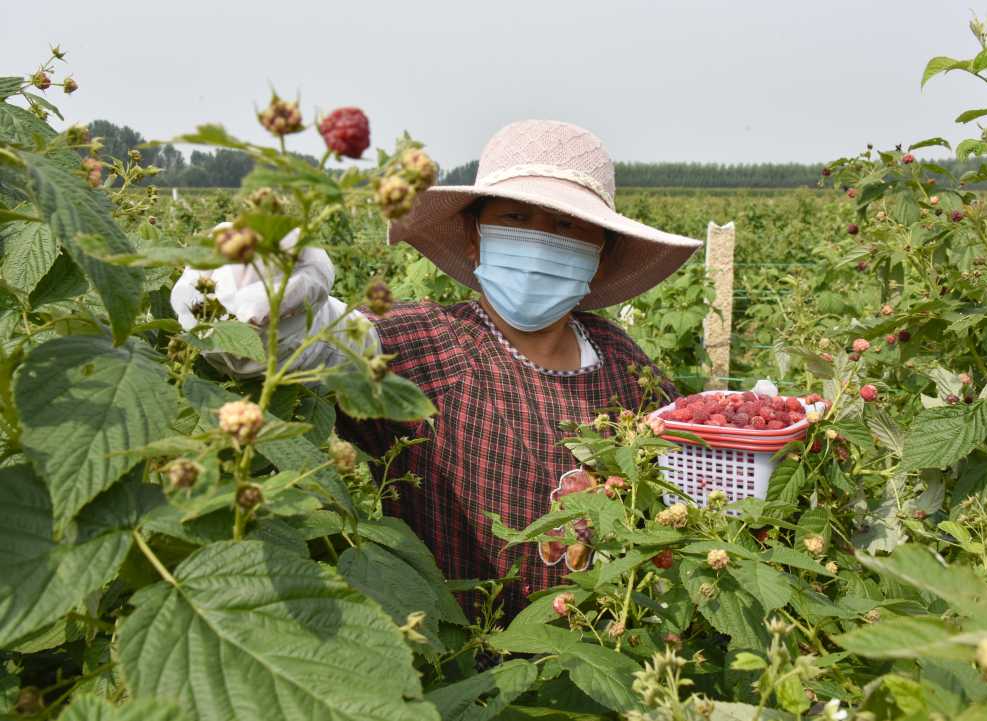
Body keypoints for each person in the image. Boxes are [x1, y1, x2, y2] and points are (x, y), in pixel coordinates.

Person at [171, 119, 702, 615]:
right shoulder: (424, 345)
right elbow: (307, 344)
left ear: (600, 255)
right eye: (517, 218)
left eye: (567, 226)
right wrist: (248, 287)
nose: (542, 241)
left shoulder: (623, 360)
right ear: (474, 238)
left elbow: (687, 476)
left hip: (607, 654)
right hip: (463, 663)